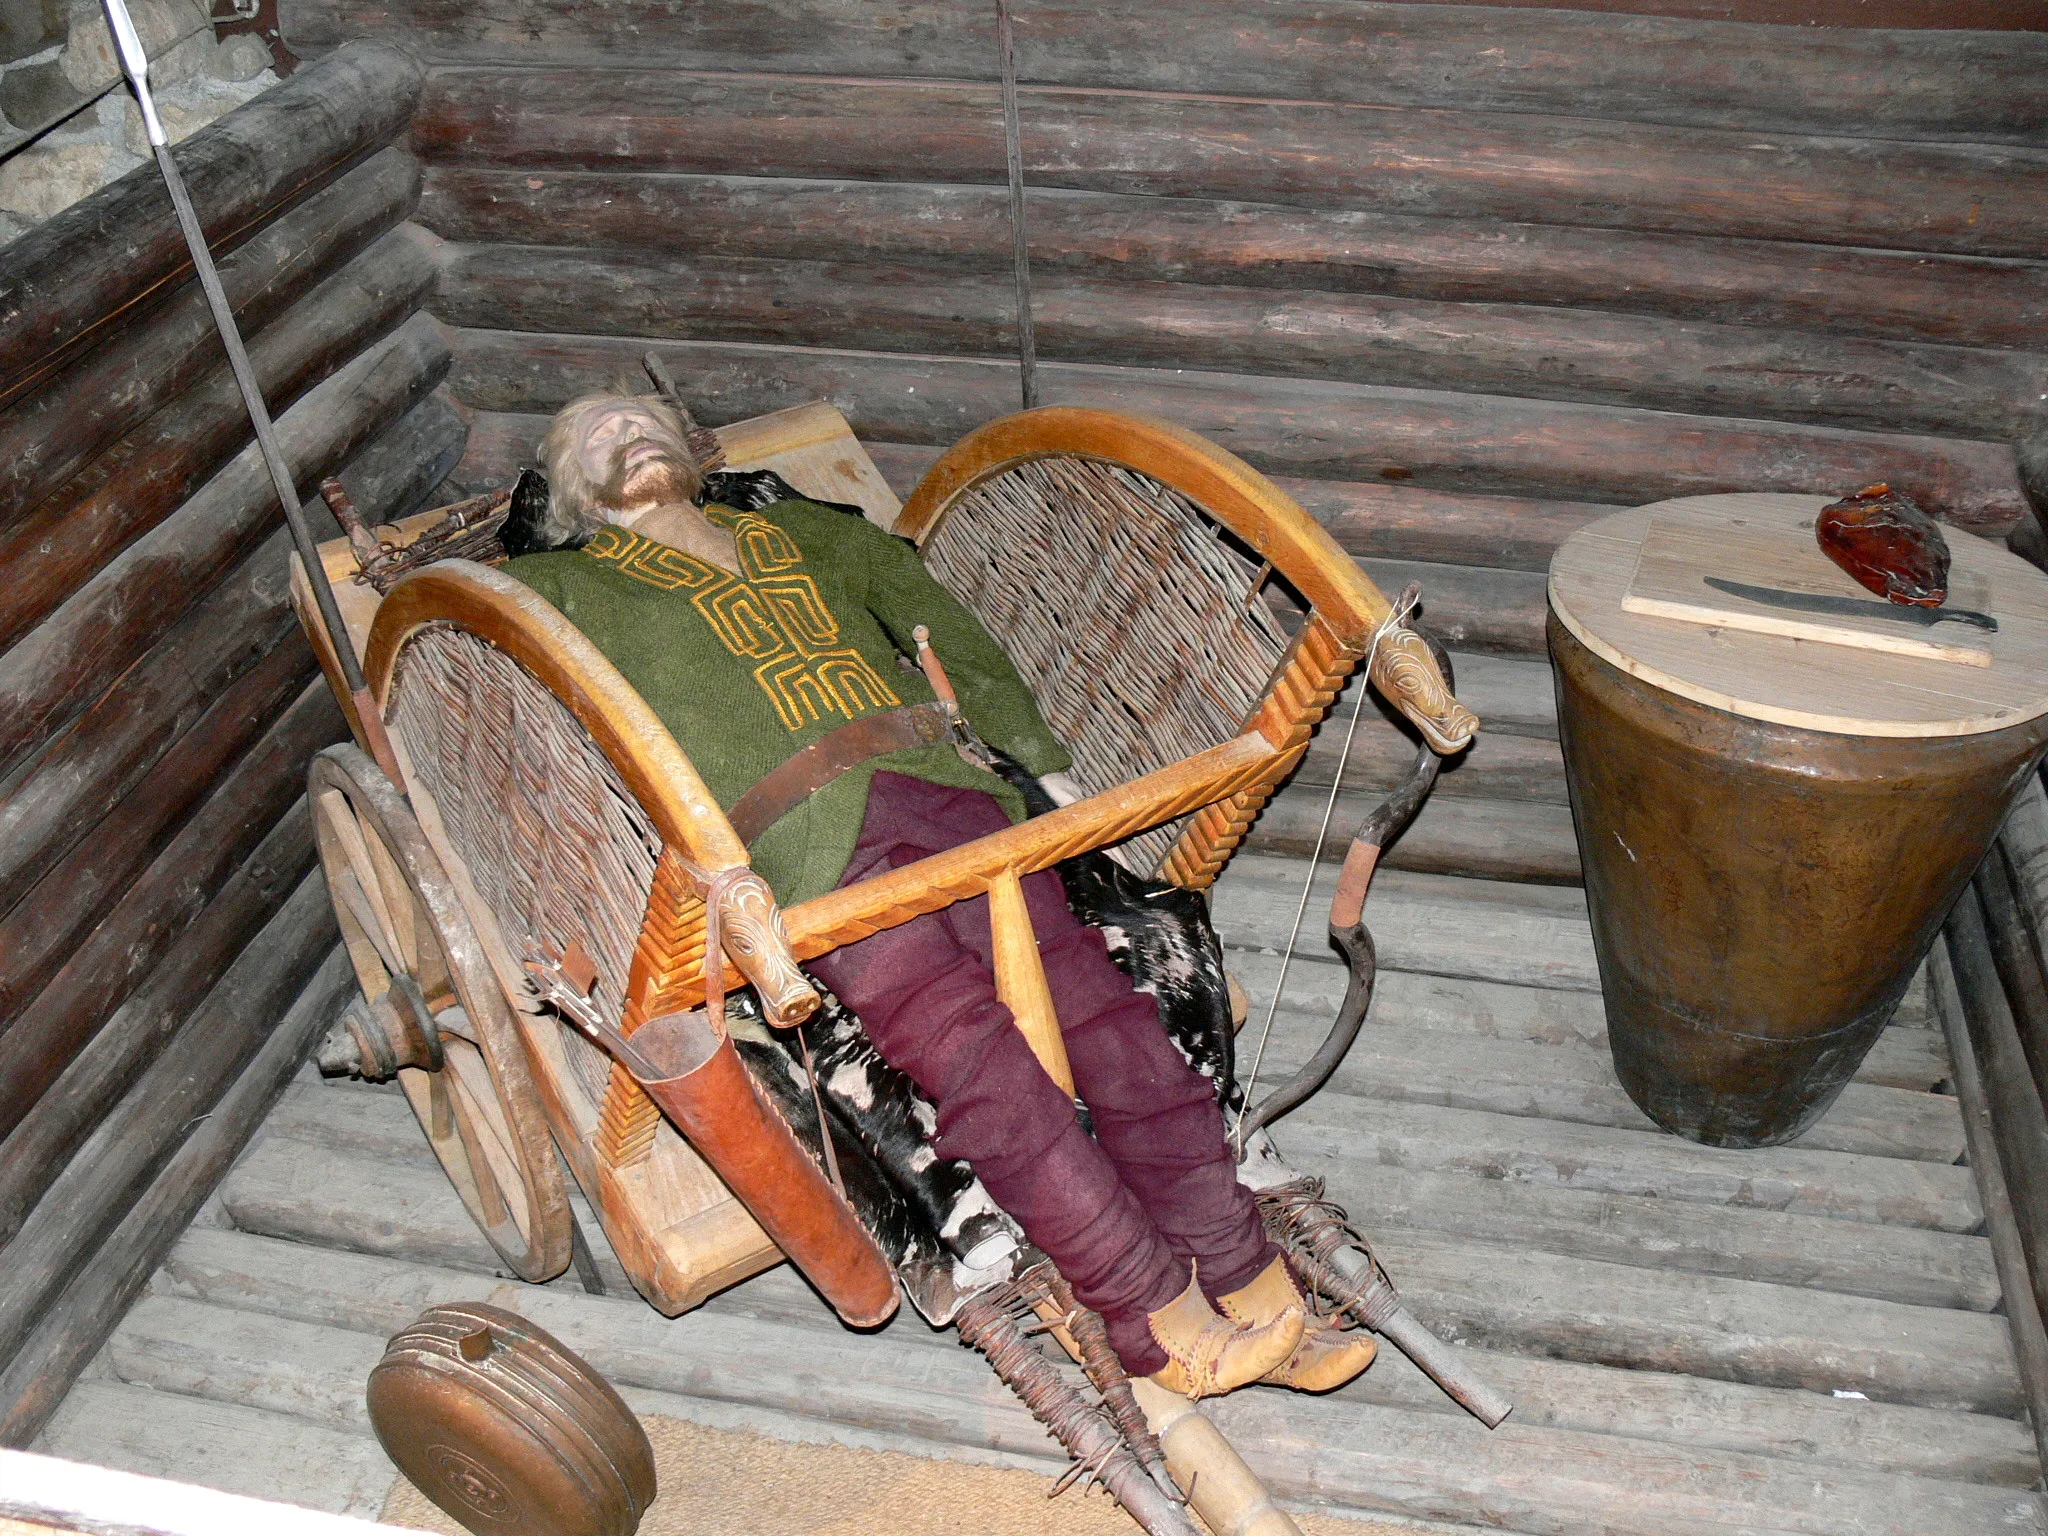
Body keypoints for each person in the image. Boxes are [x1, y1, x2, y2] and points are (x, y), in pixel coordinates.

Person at [504, 390, 1376, 1398]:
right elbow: (553, 743)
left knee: (1107, 1021)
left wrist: (1038, 762)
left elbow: (945, 629)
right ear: (564, 495)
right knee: (984, 1073)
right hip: (805, 853)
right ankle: (1153, 1320)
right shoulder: (564, 596)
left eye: (637, 415)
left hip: (951, 795)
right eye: (590, 434)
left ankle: (1241, 1268)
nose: (620, 429)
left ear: (692, 450)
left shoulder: (797, 532)